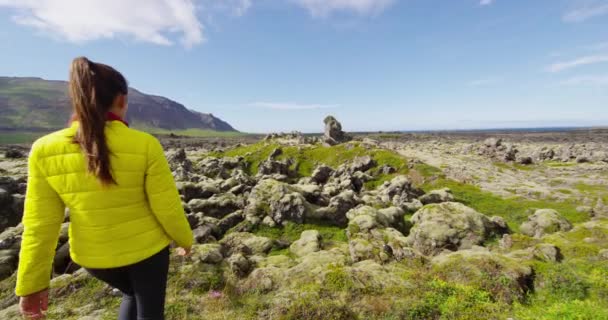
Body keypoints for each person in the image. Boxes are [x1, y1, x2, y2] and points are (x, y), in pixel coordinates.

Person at [16, 57, 194, 320]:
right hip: (147, 253)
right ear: (122, 100)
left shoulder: (44, 149)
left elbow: (40, 225)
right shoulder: (145, 144)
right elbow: (166, 206)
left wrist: (31, 285)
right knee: (150, 311)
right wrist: (185, 240)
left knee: (131, 294)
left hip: (94, 259)